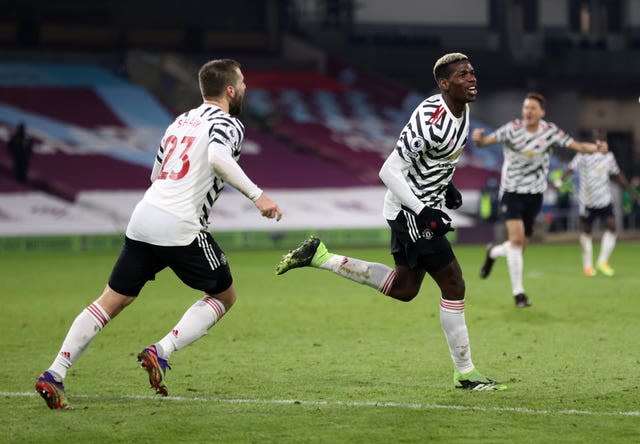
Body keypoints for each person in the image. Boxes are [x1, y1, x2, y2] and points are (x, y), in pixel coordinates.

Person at [34, 59, 283, 409]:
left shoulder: (179, 121)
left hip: (145, 216)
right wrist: (259, 196)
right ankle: (161, 351)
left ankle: (54, 372)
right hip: (180, 225)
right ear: (229, 90)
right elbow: (217, 158)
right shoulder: (228, 123)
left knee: (111, 300)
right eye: (241, 83)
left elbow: (156, 174)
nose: (244, 88)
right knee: (225, 296)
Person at [276, 53, 506, 391]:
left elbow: (434, 159)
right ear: (444, 84)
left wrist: (448, 185)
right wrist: (424, 211)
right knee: (453, 283)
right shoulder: (431, 119)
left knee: (405, 289)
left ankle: (321, 256)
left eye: (471, 72)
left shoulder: (463, 109)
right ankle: (466, 372)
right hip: (410, 211)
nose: (471, 78)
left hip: (419, 205)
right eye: (461, 75)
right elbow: (389, 170)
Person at [472, 92, 608, 307]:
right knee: (516, 242)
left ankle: (493, 251)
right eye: (526, 107)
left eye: (533, 108)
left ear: (542, 112)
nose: (528, 111)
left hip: (534, 195)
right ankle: (519, 294)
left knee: (519, 246)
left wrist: (596, 148)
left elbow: (579, 146)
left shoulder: (550, 131)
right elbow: (485, 142)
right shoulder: (512, 128)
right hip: (511, 192)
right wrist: (479, 139)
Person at [554, 143, 640, 276]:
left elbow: (618, 175)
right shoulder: (582, 156)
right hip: (587, 201)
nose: (604, 146)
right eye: (601, 143)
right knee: (586, 232)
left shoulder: (609, 157)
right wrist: (560, 180)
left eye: (606, 143)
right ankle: (587, 267)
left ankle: (602, 261)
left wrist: (631, 192)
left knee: (612, 227)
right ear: (593, 145)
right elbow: (570, 169)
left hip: (604, 200)